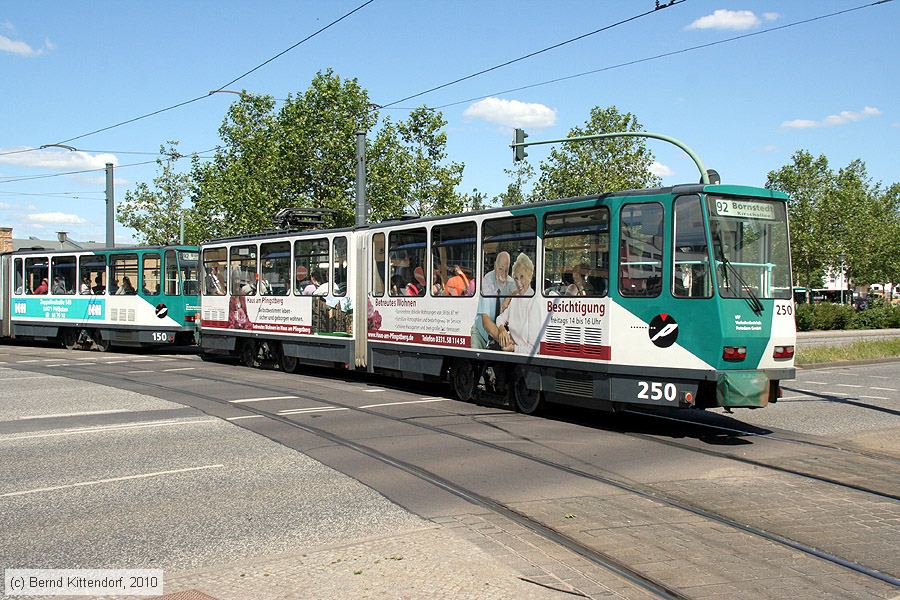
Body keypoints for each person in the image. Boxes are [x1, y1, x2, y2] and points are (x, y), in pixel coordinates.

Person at [495, 253, 540, 354]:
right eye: (515, 278)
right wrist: (502, 329)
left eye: (522, 277)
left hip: (524, 359)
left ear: (530, 276)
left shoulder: (534, 303)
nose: (518, 283)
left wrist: (514, 348)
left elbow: (535, 349)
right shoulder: (516, 298)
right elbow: (500, 318)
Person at [470, 251, 515, 349]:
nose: (503, 274)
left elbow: (520, 291)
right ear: (495, 265)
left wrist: (510, 296)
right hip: (481, 335)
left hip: (497, 335)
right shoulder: (487, 281)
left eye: (506, 270)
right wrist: (504, 341)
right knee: (475, 360)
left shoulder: (511, 283)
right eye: (500, 268)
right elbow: (486, 321)